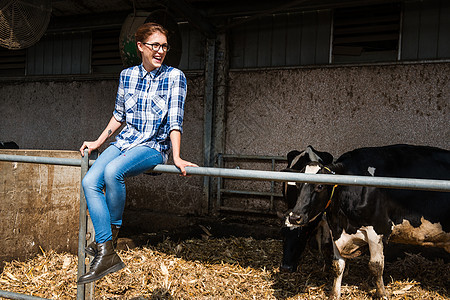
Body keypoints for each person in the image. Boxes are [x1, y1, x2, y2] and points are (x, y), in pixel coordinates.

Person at [77, 22, 197, 285]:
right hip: (125, 141)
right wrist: (98, 141)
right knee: (88, 181)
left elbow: (175, 121)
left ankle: (110, 239)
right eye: (155, 45)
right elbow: (119, 116)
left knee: (112, 172)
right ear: (140, 47)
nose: (160, 51)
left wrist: (176, 156)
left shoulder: (174, 77)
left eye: (164, 46)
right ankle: (106, 249)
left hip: (153, 146)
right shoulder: (127, 75)